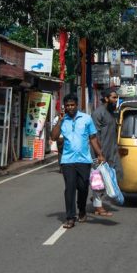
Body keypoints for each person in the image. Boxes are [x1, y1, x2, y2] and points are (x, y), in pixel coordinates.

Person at [53, 93, 103, 229]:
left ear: (77, 105)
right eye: (67, 105)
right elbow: (53, 137)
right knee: (69, 188)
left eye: (72, 105)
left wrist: (99, 154)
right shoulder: (62, 120)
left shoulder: (86, 119)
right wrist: (60, 121)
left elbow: (93, 138)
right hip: (67, 160)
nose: (70, 107)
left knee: (82, 187)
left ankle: (82, 209)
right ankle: (70, 217)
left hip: (84, 160)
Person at [89, 87, 120, 218]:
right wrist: (100, 154)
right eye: (113, 97)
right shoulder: (98, 113)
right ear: (106, 98)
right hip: (100, 153)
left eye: (116, 97)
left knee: (115, 176)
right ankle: (98, 207)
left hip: (111, 152)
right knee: (99, 180)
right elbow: (94, 136)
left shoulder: (112, 113)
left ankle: (97, 200)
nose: (116, 100)